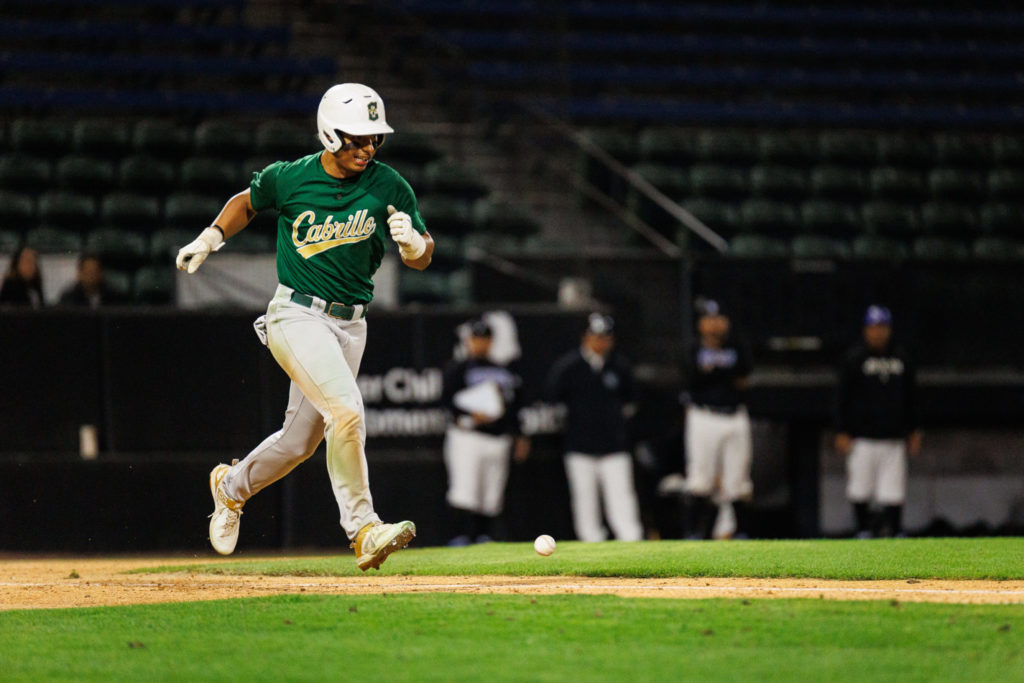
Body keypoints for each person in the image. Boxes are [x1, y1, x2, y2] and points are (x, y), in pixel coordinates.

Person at [175, 83, 434, 570]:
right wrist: (211, 237)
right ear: (329, 133)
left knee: (298, 443)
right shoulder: (292, 177)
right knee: (347, 412)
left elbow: (424, 250)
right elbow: (246, 200)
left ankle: (230, 488)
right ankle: (363, 529)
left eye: (373, 138)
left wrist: (415, 247)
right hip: (295, 313)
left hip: (351, 324)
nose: (367, 148)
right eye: (356, 138)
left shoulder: (390, 185)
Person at [545, 313, 644, 542]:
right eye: (596, 336)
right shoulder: (568, 367)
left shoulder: (619, 366)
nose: (601, 342)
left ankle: (631, 544)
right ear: (586, 337)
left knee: (622, 501)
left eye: (606, 337)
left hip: (614, 448)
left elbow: (632, 403)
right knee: (585, 503)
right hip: (580, 448)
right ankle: (591, 545)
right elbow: (553, 402)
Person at [441, 318, 530, 545]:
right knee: (465, 491)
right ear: (469, 341)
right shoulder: (457, 369)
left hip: (498, 438)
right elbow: (446, 403)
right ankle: (462, 537)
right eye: (476, 339)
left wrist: (519, 435)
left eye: (485, 339)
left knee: (491, 495)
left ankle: (484, 537)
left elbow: (515, 406)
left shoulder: (503, 370)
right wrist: (468, 417)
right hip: (468, 437)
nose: (480, 344)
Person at [835, 305, 920, 538]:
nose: (877, 332)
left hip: (893, 437)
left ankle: (895, 530)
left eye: (882, 327)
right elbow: (843, 397)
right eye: (873, 327)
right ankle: (863, 530)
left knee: (893, 491)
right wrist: (842, 430)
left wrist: (913, 430)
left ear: (889, 329)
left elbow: (911, 397)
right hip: (861, 437)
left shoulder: (902, 358)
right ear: (865, 329)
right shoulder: (854, 359)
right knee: (859, 489)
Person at [682, 299, 754, 540]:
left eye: (718, 319)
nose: (714, 325)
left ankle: (742, 534)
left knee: (738, 482)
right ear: (701, 324)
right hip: (704, 416)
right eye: (709, 319)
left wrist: (714, 372)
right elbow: (692, 380)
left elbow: (744, 377)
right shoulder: (692, 348)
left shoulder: (738, 344)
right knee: (700, 480)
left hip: (734, 416)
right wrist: (722, 374)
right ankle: (693, 535)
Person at [58, 253, 128, 308]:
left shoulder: (115, 297)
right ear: (79, 273)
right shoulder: (68, 298)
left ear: (101, 273)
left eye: (95, 271)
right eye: (88, 272)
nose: (91, 276)